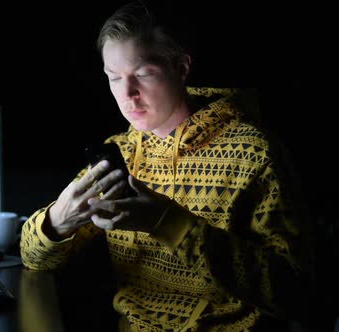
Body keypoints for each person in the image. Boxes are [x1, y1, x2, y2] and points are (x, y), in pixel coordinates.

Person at [19, 2, 313, 331]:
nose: (127, 94)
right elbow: (33, 258)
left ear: (182, 68)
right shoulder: (122, 153)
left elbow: (299, 294)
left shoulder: (254, 152)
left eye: (143, 74)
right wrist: (57, 221)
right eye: (114, 78)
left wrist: (168, 223)